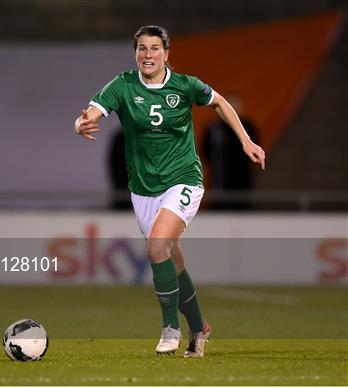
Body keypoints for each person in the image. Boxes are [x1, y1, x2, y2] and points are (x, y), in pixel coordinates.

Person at [74, 25, 265, 358]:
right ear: (135, 53)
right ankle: (199, 328)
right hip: (144, 189)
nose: (148, 55)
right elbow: (90, 113)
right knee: (170, 259)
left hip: (184, 179)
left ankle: (169, 328)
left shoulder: (185, 85)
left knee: (156, 247)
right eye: (142, 49)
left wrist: (246, 141)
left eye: (155, 49)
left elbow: (219, 103)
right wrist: (80, 124)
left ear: (166, 53)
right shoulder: (123, 85)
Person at [202, 94, 259, 209]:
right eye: (230, 106)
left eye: (236, 106)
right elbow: (205, 151)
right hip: (220, 182)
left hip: (243, 183)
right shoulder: (213, 128)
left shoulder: (248, 127)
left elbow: (256, 151)